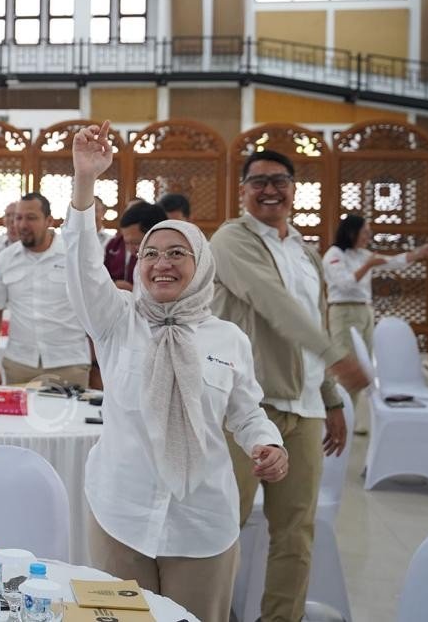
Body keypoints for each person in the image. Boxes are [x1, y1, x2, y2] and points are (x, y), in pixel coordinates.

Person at [66, 121, 287, 622]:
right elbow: (81, 267)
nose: (161, 263)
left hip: (201, 521)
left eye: (176, 254)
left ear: (201, 264)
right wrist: (84, 180)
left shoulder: (227, 338)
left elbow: (246, 412)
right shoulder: (117, 321)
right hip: (121, 513)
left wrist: (267, 443)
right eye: (150, 254)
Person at [211, 149, 368, 622]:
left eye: (280, 180)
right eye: (258, 182)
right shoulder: (230, 240)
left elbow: (315, 317)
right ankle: (206, 613)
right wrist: (334, 354)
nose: (270, 190)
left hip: (305, 411)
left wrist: (331, 398)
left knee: (296, 531)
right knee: (224, 526)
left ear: (294, 189)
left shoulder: (305, 252)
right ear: (242, 191)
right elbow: (272, 301)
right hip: (246, 408)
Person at [323, 214, 428, 433]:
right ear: (351, 232)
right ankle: (338, 416)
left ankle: (356, 420)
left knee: (363, 365)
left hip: (365, 311)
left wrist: (420, 252)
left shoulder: (362, 254)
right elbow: (345, 284)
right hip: (343, 311)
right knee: (346, 365)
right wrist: (368, 265)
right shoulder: (334, 254)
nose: (368, 236)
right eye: (365, 232)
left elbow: (393, 261)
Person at [0, 194, 90, 388]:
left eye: (31, 218)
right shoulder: (5, 260)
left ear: (49, 221)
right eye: (18, 218)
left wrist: (98, 363)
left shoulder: (74, 255)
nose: (22, 225)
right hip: (20, 364)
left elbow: (93, 309)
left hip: (69, 362)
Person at [103, 201, 168, 290]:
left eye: (136, 243)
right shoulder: (114, 244)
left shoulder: (170, 263)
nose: (130, 249)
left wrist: (133, 290)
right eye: (127, 243)